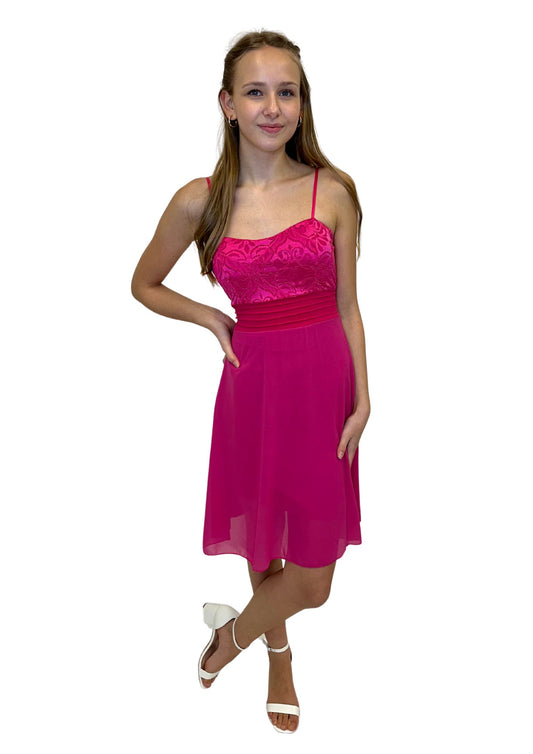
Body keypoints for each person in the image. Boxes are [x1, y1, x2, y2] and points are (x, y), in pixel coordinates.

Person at [131, 29, 370, 734]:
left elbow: (349, 306)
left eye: (286, 92)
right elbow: (143, 283)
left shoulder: (333, 191)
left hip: (323, 383)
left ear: (302, 102)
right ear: (228, 104)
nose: (273, 107)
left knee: (313, 580)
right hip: (253, 382)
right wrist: (210, 316)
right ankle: (278, 656)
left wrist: (364, 396)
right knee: (264, 540)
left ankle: (227, 640)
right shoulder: (199, 200)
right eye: (256, 92)